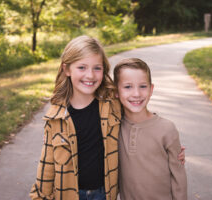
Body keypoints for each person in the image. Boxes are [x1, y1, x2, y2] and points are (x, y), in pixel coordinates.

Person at [30, 35, 185, 200]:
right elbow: (47, 164)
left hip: (103, 194)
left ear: (104, 70)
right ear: (67, 69)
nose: (90, 75)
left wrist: (170, 148)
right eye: (82, 67)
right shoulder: (56, 118)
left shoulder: (111, 105)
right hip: (68, 194)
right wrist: (41, 196)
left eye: (97, 68)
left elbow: (137, 112)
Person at [113, 58, 187, 200]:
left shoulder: (166, 129)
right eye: (128, 87)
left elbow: (179, 178)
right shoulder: (114, 127)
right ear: (116, 91)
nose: (136, 94)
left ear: (151, 89)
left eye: (143, 86)